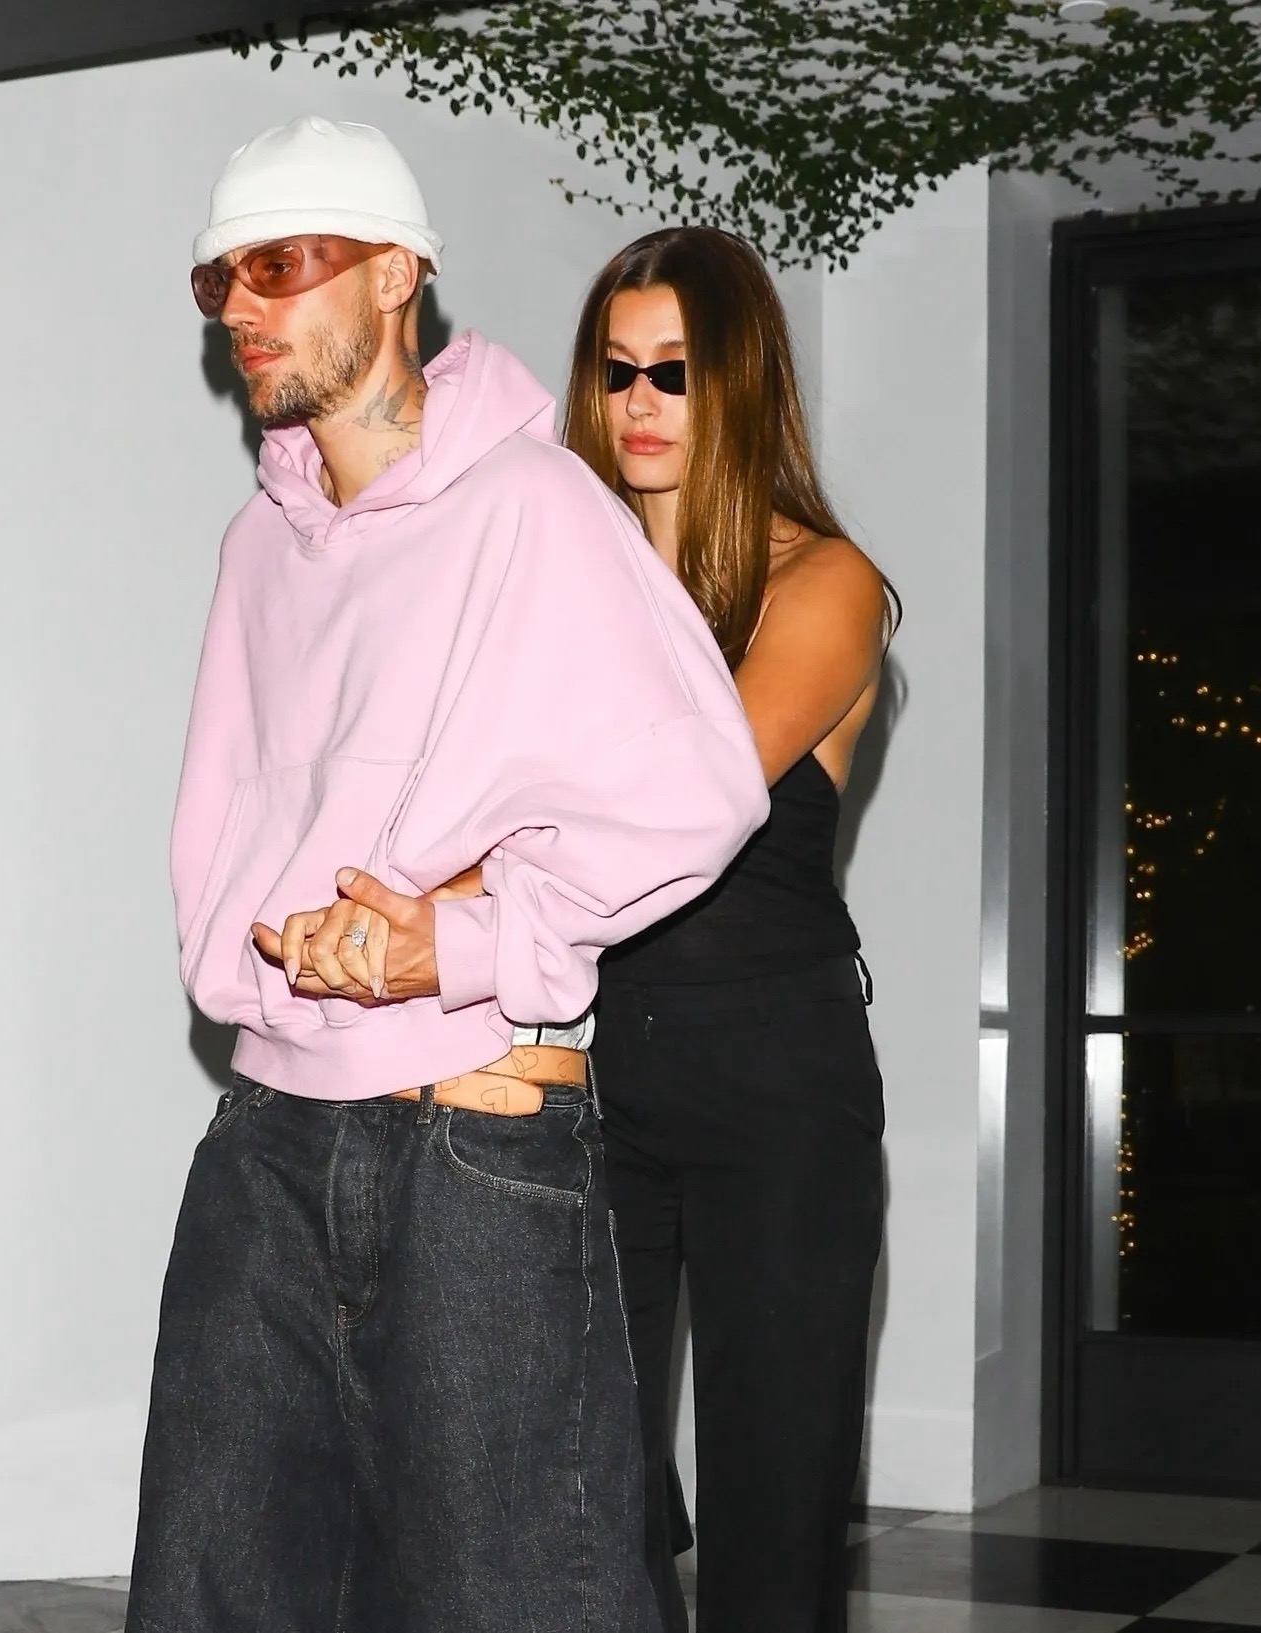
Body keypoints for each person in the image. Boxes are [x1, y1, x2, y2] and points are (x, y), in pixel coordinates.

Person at [124, 118, 769, 1633]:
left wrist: (463, 942)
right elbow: (225, 823)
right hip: (268, 1134)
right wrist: (271, 945)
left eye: (283, 264)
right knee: (217, 1597)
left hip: (472, 1137)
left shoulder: (532, 504)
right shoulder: (259, 549)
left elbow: (699, 790)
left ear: (395, 273)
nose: (242, 305)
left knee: (513, 1604)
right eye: (220, 277)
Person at [569, 227, 896, 1633]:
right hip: (595, 1071)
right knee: (583, 1496)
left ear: (739, 384)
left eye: (675, 371)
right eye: (616, 370)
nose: (639, 401)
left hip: (777, 1075)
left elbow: (682, 798)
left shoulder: (825, 582)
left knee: (774, 1512)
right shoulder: (570, 586)